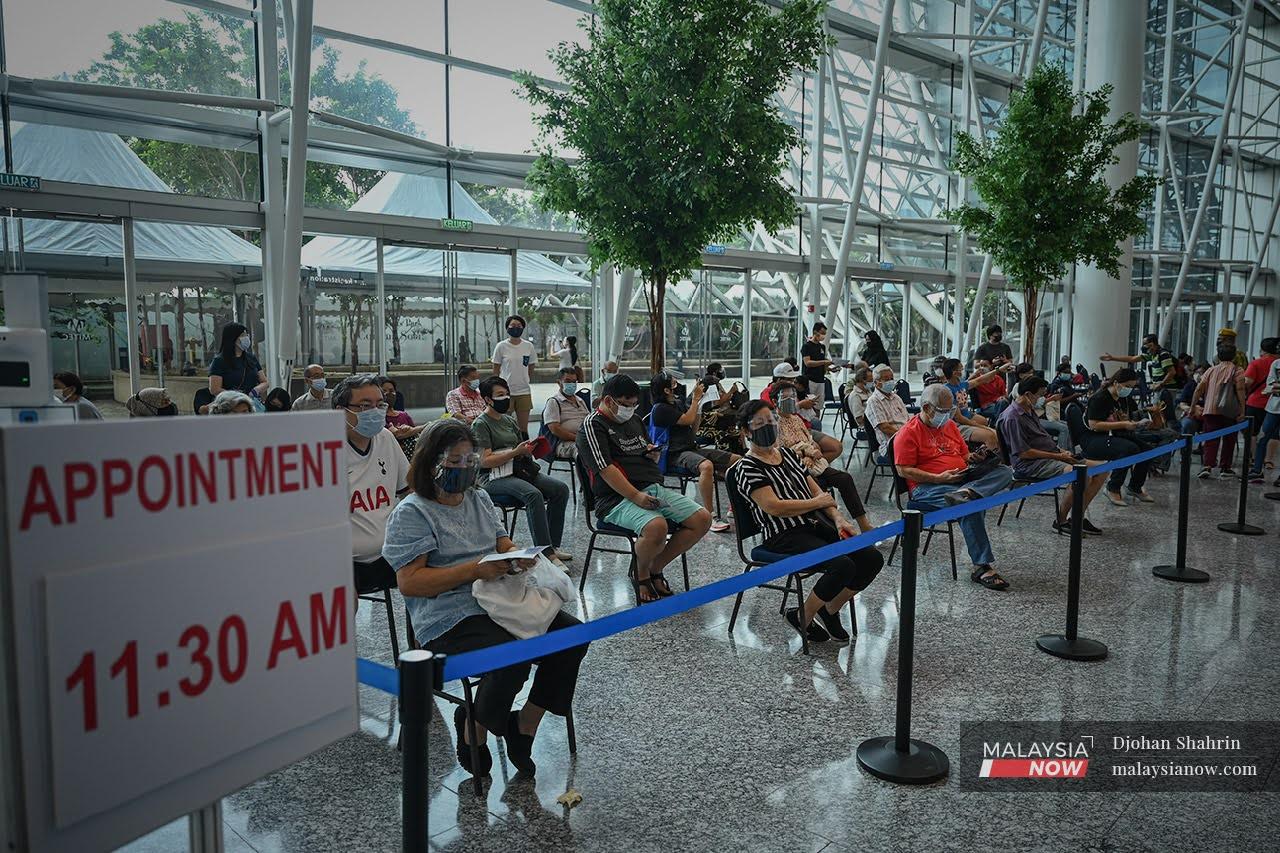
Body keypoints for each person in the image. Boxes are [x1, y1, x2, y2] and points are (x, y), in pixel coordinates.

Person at [382, 419, 588, 776]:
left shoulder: (478, 497)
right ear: (431, 462)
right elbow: (412, 584)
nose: (464, 469)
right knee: (513, 656)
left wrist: (515, 555)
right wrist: (474, 570)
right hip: (448, 613)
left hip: (500, 600)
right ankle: (473, 728)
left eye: (470, 461)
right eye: (454, 461)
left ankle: (523, 725)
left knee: (573, 638)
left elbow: (500, 541)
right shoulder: (412, 512)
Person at [734, 400, 883, 642]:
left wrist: (838, 518)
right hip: (782, 535)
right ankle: (802, 615)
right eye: (759, 423)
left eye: (771, 421)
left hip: (814, 525)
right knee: (842, 564)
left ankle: (829, 609)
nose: (768, 427)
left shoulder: (786, 455)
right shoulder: (747, 466)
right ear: (746, 431)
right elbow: (775, 507)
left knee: (871, 558)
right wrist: (818, 504)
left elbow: (816, 492)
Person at [578, 374, 712, 603]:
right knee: (656, 526)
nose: (630, 410)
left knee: (702, 519)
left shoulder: (635, 420)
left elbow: (644, 449)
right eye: (625, 405)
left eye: (633, 405)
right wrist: (636, 497)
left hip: (652, 487)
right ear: (609, 401)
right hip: (615, 498)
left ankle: (655, 567)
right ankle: (640, 573)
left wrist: (652, 453)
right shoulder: (593, 426)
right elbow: (606, 469)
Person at [893, 384, 1015, 590]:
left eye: (950, 410)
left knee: (1005, 472)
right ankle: (981, 566)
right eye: (942, 411)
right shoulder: (908, 433)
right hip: (927, 487)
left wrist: (974, 458)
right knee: (968, 507)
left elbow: (963, 455)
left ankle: (969, 491)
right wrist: (938, 478)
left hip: (961, 480)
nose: (947, 416)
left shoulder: (949, 426)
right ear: (926, 408)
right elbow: (903, 470)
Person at [473, 377, 572, 561]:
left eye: (507, 394)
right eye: (500, 395)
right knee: (533, 494)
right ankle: (545, 553)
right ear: (488, 399)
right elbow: (485, 461)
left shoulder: (508, 420)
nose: (506, 398)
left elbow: (519, 446)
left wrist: (529, 448)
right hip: (493, 478)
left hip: (517, 470)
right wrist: (514, 452)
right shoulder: (481, 424)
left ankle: (553, 545)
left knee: (560, 489)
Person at [997, 377, 1106, 535]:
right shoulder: (1012, 418)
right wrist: (1060, 457)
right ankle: (1061, 521)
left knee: (1102, 469)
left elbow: (1041, 439)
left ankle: (1077, 517)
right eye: (1040, 395)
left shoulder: (1028, 409)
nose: (1043, 399)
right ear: (1028, 394)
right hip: (1031, 464)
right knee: (1080, 475)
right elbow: (1024, 453)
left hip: (1051, 456)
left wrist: (1061, 451)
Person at [336, 375, 411, 598]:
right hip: (345, 563)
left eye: (381, 404)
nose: (375, 411)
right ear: (342, 411)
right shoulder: (328, 450)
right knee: (342, 598)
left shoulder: (386, 438)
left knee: (433, 580)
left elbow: (409, 490)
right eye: (365, 406)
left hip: (392, 553)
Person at [649, 372, 739, 533]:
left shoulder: (677, 403)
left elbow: (693, 428)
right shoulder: (660, 409)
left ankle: (735, 506)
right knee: (706, 466)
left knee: (737, 460)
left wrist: (700, 404)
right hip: (673, 454)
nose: (677, 384)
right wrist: (696, 399)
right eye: (673, 383)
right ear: (666, 390)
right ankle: (710, 516)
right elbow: (687, 420)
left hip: (690, 447)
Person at [773, 380, 871, 523]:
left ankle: (863, 523)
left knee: (845, 479)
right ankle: (835, 524)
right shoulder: (775, 423)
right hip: (793, 469)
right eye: (786, 397)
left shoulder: (796, 419)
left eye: (793, 396)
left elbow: (811, 442)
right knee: (819, 487)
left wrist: (811, 455)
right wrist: (803, 456)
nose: (791, 400)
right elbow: (779, 452)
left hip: (813, 463)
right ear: (775, 401)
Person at [1082, 368, 1159, 504]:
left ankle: (1135, 487)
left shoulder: (1124, 399)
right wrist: (1123, 424)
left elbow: (1129, 418)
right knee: (1129, 449)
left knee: (1147, 450)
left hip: (1117, 435)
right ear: (1116, 383)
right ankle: (1113, 488)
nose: (1129, 390)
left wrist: (1139, 423)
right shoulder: (1100, 398)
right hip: (1095, 439)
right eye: (1127, 386)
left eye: (1132, 387)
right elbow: (1094, 424)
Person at [1190, 343, 1248, 479]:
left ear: (1218, 355)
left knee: (1210, 438)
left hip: (1210, 409)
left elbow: (1199, 388)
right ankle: (1225, 468)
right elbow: (1240, 390)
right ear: (1234, 356)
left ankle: (1207, 466)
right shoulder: (1237, 370)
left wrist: (1193, 406)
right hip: (1230, 410)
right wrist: (1242, 409)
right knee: (1229, 439)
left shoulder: (1211, 370)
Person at [940, 358, 1003, 448]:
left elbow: (980, 380)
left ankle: (977, 446)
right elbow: (959, 418)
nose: (962, 371)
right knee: (991, 434)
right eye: (961, 369)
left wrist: (998, 370)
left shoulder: (961, 384)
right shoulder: (947, 391)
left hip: (967, 415)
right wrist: (984, 428)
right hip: (958, 422)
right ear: (954, 373)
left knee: (984, 421)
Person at [492, 315, 537, 434]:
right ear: (507, 328)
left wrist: (526, 378)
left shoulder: (528, 346)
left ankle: (524, 451)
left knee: (523, 429)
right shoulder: (501, 346)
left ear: (523, 328)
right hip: (505, 392)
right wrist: (497, 387)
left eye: (519, 326)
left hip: (524, 391)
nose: (516, 328)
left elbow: (531, 366)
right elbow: (496, 368)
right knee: (504, 427)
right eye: (513, 326)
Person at [1243, 337, 1280, 475]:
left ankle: (1256, 462)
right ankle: (1263, 464)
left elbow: (1248, 382)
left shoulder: (1258, 363)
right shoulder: (1275, 363)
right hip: (1271, 405)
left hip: (1259, 402)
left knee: (1256, 433)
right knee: (1269, 436)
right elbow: (1271, 384)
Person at [541, 367, 590, 460]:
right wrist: (578, 438)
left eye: (574, 381)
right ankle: (586, 474)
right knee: (583, 450)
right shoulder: (553, 402)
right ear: (559, 383)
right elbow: (555, 429)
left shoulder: (580, 400)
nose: (571, 384)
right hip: (564, 443)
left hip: (585, 438)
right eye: (568, 381)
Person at [208, 322, 267, 399]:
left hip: (252, 403)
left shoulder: (251, 358)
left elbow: (264, 382)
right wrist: (237, 396)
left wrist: (256, 390)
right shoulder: (219, 361)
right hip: (230, 404)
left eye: (247, 335)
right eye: (243, 335)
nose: (247, 338)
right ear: (232, 338)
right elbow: (214, 389)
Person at [862, 364, 909, 455]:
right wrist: (906, 437)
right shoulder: (874, 401)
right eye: (886, 379)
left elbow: (908, 420)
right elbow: (885, 428)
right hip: (891, 443)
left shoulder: (896, 397)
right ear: (876, 383)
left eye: (891, 378)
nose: (890, 381)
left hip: (906, 438)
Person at [800, 322, 834, 402]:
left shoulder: (822, 347)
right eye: (822, 333)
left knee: (819, 404)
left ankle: (817, 415)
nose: (823, 336)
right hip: (810, 379)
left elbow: (822, 364)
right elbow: (808, 363)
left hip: (821, 380)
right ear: (815, 332)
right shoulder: (807, 346)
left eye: (825, 334)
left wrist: (830, 369)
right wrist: (824, 362)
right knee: (810, 403)